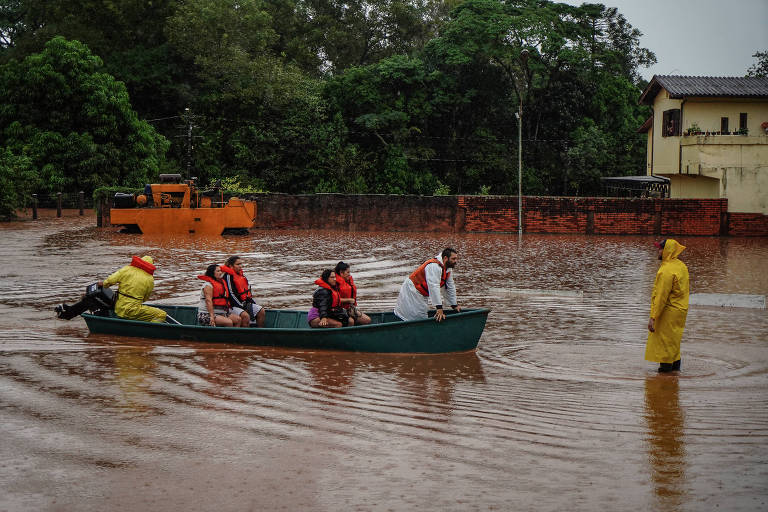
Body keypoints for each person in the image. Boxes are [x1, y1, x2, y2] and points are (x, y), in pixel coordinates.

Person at [646, 239, 690, 372]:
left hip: (668, 313)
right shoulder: (681, 266)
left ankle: (663, 380)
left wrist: (653, 317)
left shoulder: (665, 271)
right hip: (680, 311)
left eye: (660, 249)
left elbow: (660, 297)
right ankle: (674, 378)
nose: (658, 251)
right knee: (674, 344)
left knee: (664, 346)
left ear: (666, 251)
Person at [394, 248, 461, 322]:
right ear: (445, 258)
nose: (455, 261)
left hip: (422, 293)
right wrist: (439, 308)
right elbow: (434, 287)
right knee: (418, 316)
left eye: (456, 259)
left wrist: (454, 305)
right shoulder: (434, 266)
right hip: (413, 290)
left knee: (420, 315)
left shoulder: (448, 269)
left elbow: (450, 287)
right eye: (453, 259)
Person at [97, 255, 166, 322]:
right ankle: (150, 330)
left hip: (118, 308)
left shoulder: (127, 269)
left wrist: (104, 284)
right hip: (132, 310)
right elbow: (145, 298)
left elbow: (110, 280)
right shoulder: (150, 279)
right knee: (161, 314)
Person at [221, 255, 265, 328]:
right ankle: (245, 336)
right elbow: (231, 294)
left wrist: (251, 303)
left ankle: (260, 333)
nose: (240, 266)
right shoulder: (228, 276)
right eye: (238, 264)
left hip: (243, 304)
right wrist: (242, 307)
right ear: (231, 266)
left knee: (261, 311)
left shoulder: (241, 276)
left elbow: (246, 293)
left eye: (241, 264)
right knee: (245, 316)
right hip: (232, 306)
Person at [334, 261, 371, 325]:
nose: (349, 274)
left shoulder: (347, 281)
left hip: (349, 308)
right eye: (348, 272)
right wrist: (349, 300)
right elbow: (334, 300)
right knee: (351, 321)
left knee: (367, 320)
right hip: (338, 310)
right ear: (341, 273)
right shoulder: (335, 283)